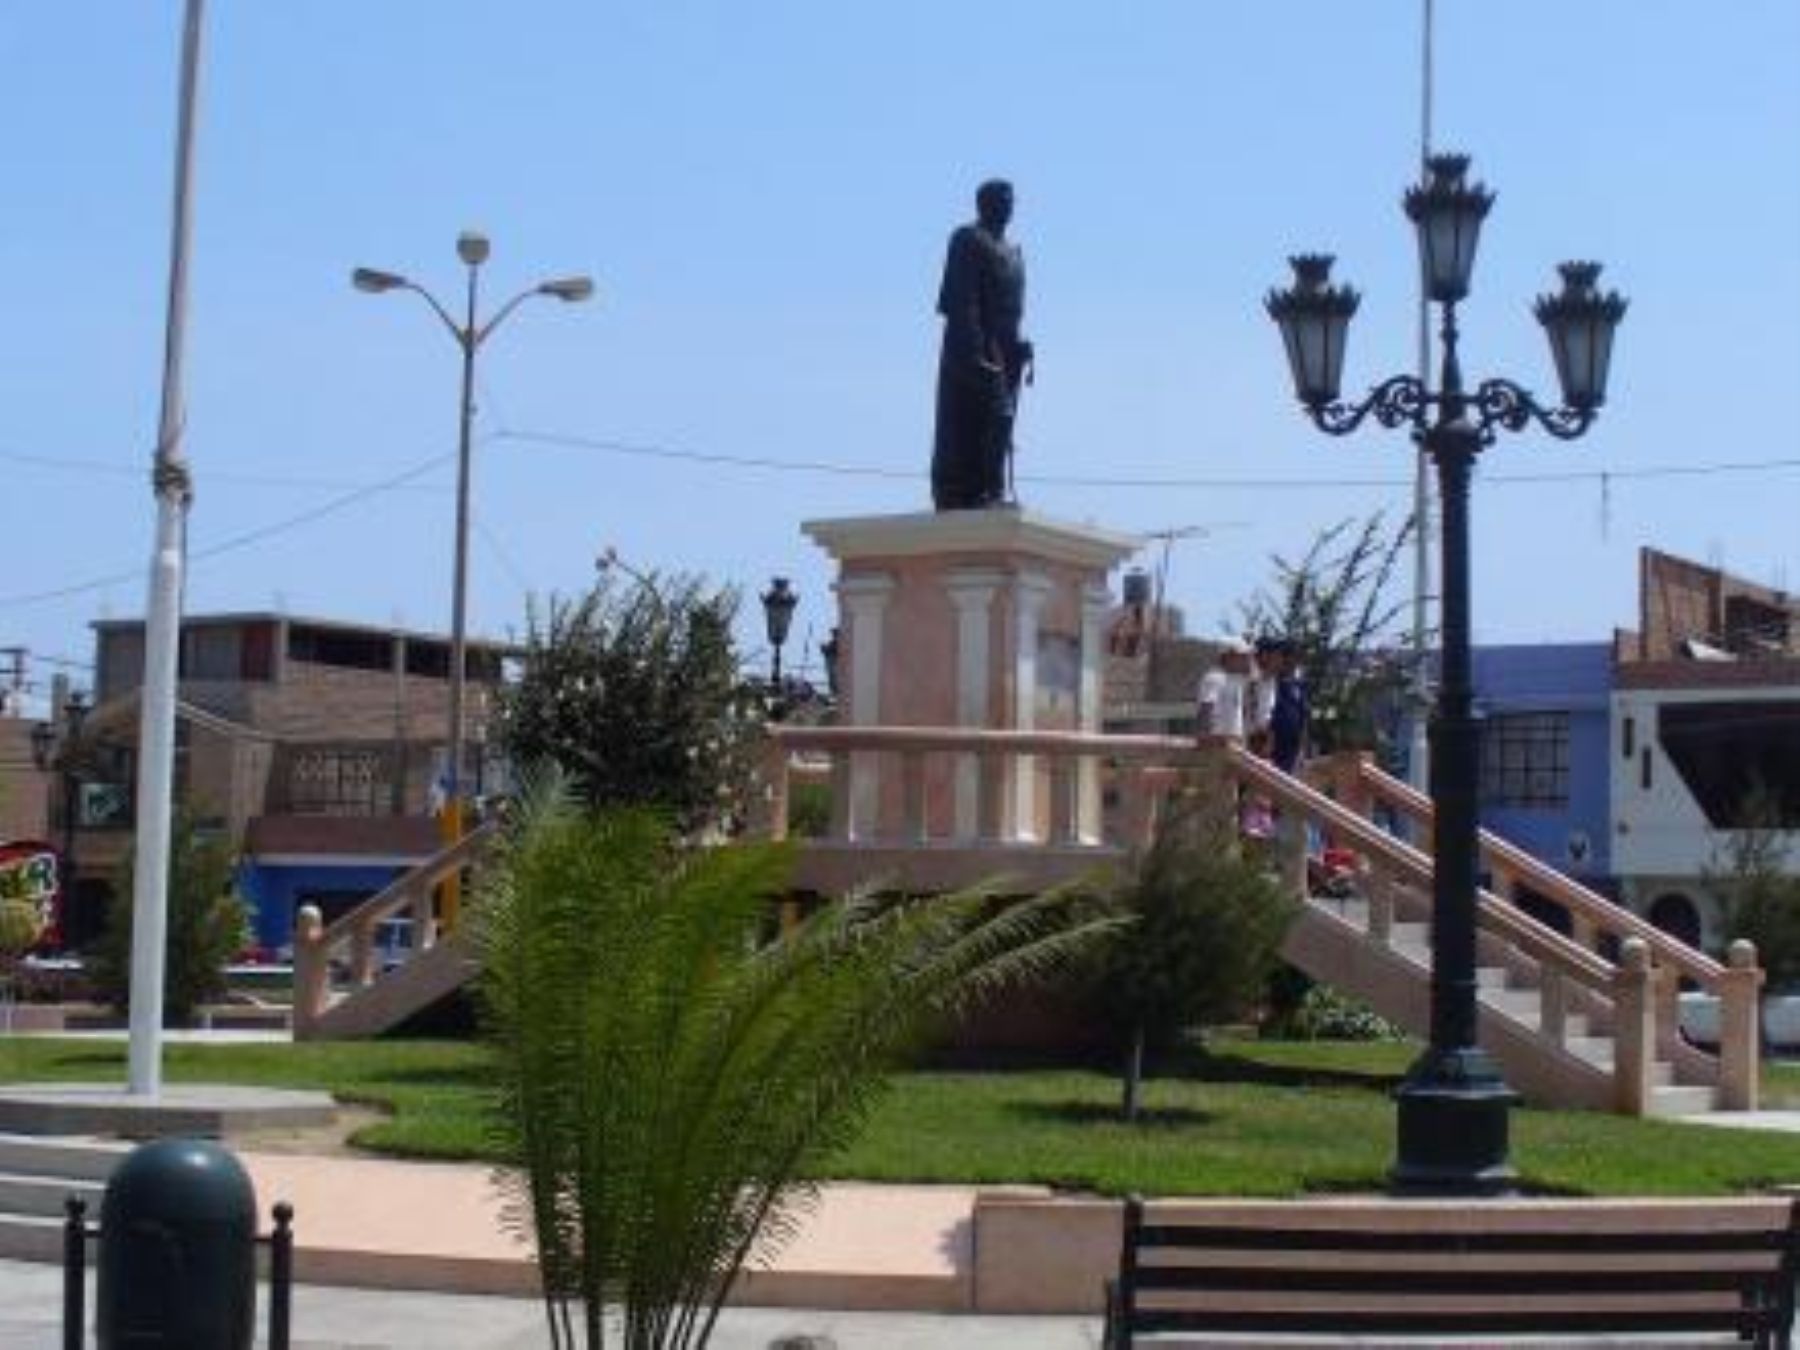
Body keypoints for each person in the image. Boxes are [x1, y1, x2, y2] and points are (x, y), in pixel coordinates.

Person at [931, 179, 1034, 510]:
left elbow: (1013, 308)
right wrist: (974, 349)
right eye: (1001, 200)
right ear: (983, 204)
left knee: (998, 422)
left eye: (1011, 201)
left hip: (1006, 347)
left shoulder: (1015, 252)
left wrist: (1019, 344)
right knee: (988, 416)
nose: (1008, 206)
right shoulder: (968, 240)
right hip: (973, 342)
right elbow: (961, 300)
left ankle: (990, 489)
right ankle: (978, 491)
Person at [1254, 636, 1310, 773]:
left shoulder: (1299, 684)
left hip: (1292, 746)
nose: (1295, 661)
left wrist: (1303, 747)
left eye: (1298, 657)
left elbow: (1303, 717)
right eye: (1292, 656)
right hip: (1270, 743)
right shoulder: (1271, 680)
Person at [1195, 636, 1252, 739]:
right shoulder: (1215, 678)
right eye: (1242, 656)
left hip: (1234, 739)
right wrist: (1205, 736)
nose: (1246, 659)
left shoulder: (1236, 679)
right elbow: (1206, 708)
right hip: (1218, 739)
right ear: (1229, 656)